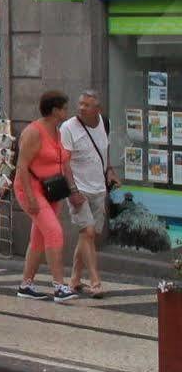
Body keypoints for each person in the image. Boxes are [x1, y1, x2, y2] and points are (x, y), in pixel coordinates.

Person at [13, 90, 79, 304]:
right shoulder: (34, 132)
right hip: (30, 189)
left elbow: (64, 163)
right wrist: (31, 197)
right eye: (64, 108)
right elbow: (22, 166)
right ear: (55, 110)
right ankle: (59, 286)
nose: (66, 112)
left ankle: (26, 284)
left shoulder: (58, 132)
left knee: (39, 238)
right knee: (54, 232)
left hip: (52, 190)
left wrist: (73, 190)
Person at [63, 91, 116, 298]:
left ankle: (75, 279)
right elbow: (64, 163)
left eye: (87, 105)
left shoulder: (104, 122)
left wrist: (109, 169)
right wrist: (73, 192)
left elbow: (104, 149)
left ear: (98, 110)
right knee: (88, 233)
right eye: (80, 103)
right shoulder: (68, 128)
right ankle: (95, 280)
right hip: (79, 189)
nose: (82, 107)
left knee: (87, 237)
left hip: (99, 188)